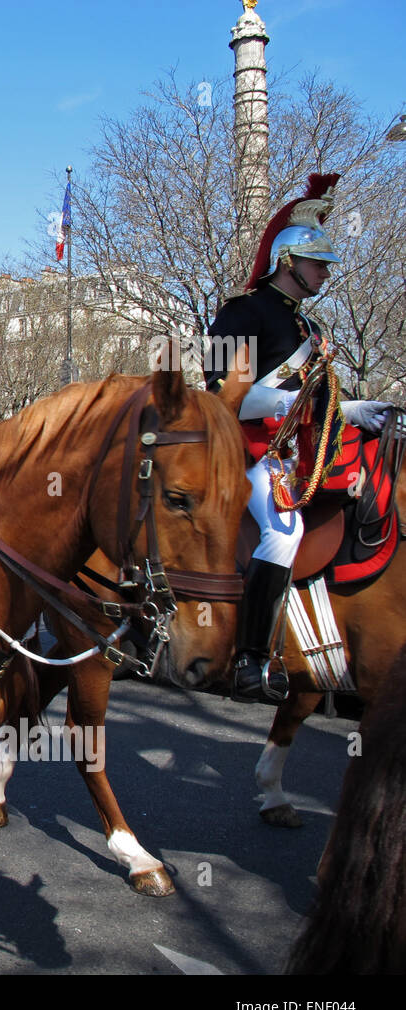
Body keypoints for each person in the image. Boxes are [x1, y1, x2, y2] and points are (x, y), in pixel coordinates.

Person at [207, 173, 392, 704]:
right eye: (318, 265)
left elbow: (319, 397)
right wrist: (293, 402)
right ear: (288, 262)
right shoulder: (241, 312)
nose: (325, 275)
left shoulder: (308, 328)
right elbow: (222, 394)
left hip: (295, 452)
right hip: (248, 452)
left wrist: (354, 409)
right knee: (282, 533)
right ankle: (249, 658)